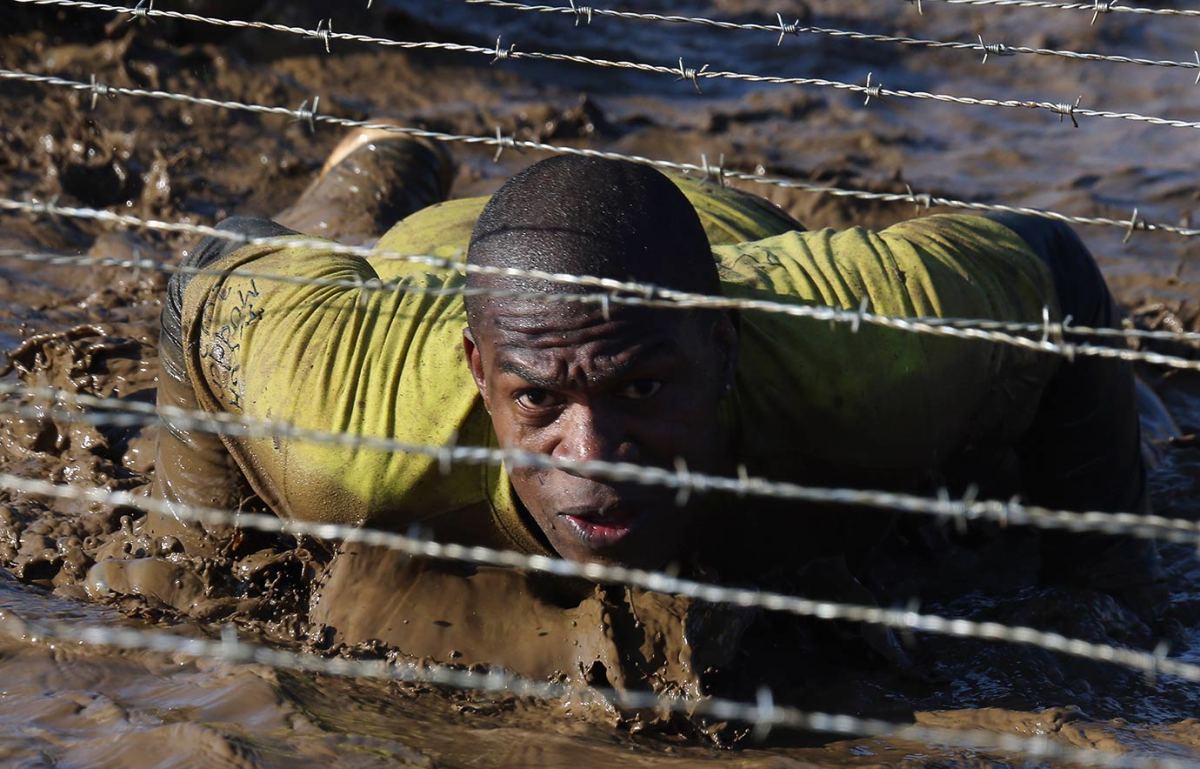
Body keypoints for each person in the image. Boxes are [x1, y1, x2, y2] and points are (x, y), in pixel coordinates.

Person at [147, 125, 1162, 605]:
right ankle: (388, 153)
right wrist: (216, 558)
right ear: (478, 373)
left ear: (723, 349)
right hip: (426, 260)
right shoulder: (344, 424)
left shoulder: (862, 351)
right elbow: (203, 277)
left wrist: (1101, 578)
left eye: (639, 389)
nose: (594, 454)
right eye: (539, 401)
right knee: (338, 225)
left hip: (734, 238)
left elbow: (1056, 269)